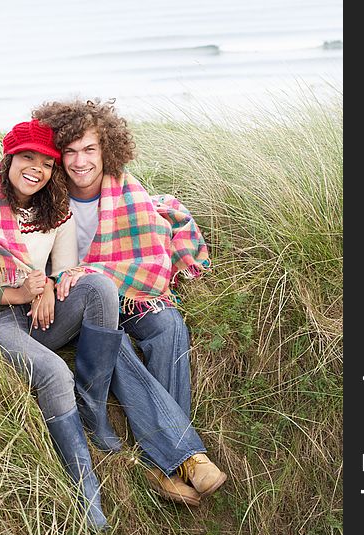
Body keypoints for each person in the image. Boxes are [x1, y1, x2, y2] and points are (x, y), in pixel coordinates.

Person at [32, 99, 227, 506]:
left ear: (107, 149)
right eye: (68, 151)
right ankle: (185, 458)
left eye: (89, 149)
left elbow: (146, 257)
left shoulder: (127, 191)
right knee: (114, 343)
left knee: (168, 324)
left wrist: (107, 274)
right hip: (80, 299)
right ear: (57, 155)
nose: (79, 161)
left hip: (131, 293)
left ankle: (161, 465)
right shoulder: (49, 198)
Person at [0, 119, 122, 531]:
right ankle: (86, 491)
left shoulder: (53, 208)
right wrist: (21, 294)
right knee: (55, 372)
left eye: (45, 162)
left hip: (36, 313)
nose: (36, 169)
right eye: (27, 158)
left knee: (99, 289)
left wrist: (44, 289)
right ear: (9, 159)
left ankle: (93, 410)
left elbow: (64, 272)